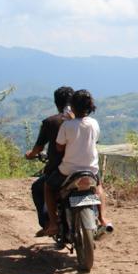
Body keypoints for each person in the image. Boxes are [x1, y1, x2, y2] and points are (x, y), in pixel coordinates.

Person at [49, 89, 113, 233]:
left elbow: (59, 147)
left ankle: (53, 223)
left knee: (48, 187)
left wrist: (71, 123)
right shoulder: (94, 123)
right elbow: (94, 139)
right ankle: (103, 218)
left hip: (68, 171)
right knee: (99, 187)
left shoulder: (67, 125)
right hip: (91, 170)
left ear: (72, 106)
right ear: (90, 107)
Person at [25, 86, 73, 237]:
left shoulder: (51, 122)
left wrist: (30, 154)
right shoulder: (86, 122)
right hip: (86, 168)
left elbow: (39, 147)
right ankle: (101, 219)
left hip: (60, 169)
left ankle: (49, 224)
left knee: (39, 187)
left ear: (56, 103)